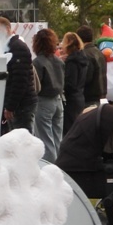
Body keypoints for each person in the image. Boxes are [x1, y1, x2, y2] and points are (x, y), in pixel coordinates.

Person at [0, 16, 37, 135]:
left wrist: (10, 106)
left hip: (21, 104)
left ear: (7, 28)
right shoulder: (9, 47)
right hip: (18, 103)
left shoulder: (17, 47)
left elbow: (20, 80)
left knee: (22, 139)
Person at [31, 28, 65, 161]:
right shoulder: (59, 61)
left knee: (45, 139)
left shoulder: (37, 62)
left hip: (44, 101)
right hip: (58, 100)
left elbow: (35, 85)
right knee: (57, 138)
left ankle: (50, 166)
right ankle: (60, 165)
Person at [61, 31, 88, 134]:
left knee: (69, 130)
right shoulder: (82, 59)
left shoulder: (71, 61)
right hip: (80, 97)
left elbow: (70, 83)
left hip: (71, 100)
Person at [77, 25, 106, 103]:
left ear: (79, 38)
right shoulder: (99, 52)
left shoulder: (84, 54)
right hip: (102, 95)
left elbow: (86, 77)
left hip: (90, 97)